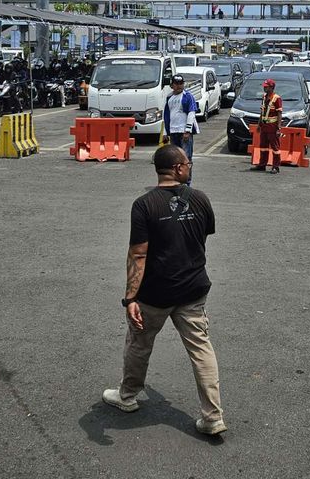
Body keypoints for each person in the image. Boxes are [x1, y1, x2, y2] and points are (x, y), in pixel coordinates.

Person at [103, 144, 226, 436]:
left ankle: (128, 395)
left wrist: (130, 297)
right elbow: (202, 236)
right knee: (201, 349)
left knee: (138, 344)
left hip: (155, 294)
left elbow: (138, 255)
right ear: (177, 168)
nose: (190, 166)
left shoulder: (144, 205)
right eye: (187, 163)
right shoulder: (200, 199)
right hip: (193, 290)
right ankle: (213, 417)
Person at [163, 74, 200, 182]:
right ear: (171, 85)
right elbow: (166, 116)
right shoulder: (169, 98)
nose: (179, 86)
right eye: (176, 84)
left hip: (184, 132)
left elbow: (191, 113)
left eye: (181, 83)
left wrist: (187, 130)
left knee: (186, 158)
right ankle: (177, 180)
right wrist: (165, 132)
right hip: (173, 132)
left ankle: (187, 182)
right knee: (174, 159)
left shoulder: (187, 96)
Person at [251, 78, 282, 173]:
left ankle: (275, 166)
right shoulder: (264, 97)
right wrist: (259, 124)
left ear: (271, 88)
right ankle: (262, 164)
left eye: (266, 87)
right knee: (263, 146)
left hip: (272, 126)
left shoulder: (277, 98)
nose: (264, 88)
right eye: (264, 87)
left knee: (275, 147)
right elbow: (262, 112)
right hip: (264, 126)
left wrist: (278, 128)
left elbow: (280, 114)